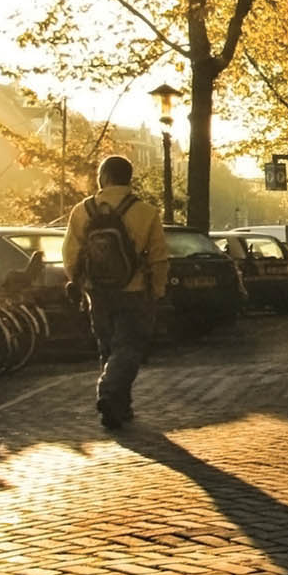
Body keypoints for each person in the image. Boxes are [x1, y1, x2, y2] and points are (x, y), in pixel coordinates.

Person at [61, 153, 168, 429]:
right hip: (134, 290)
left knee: (108, 347)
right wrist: (157, 289)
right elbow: (158, 256)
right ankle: (109, 393)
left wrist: (80, 282)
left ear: (105, 177)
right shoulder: (146, 212)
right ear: (128, 178)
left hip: (97, 292)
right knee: (129, 346)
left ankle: (119, 408)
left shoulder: (82, 211)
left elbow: (70, 254)